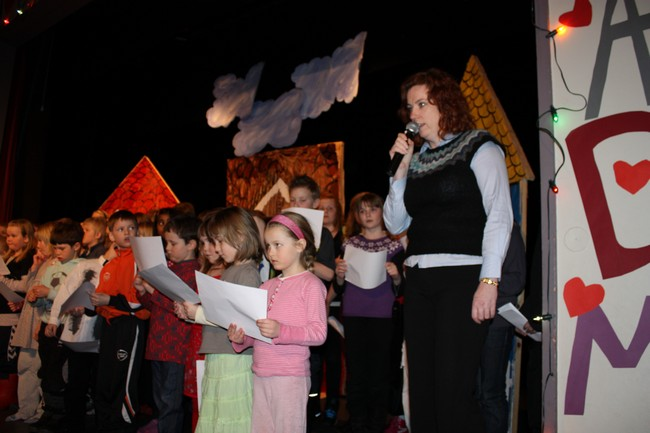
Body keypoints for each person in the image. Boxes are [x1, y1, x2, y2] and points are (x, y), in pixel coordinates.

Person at [383, 67, 513, 433]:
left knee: (452, 391)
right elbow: (394, 223)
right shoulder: (416, 159)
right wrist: (399, 172)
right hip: (419, 281)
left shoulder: (479, 145)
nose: (413, 114)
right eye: (410, 107)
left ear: (446, 102)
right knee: (421, 390)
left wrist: (489, 280)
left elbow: (500, 215)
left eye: (422, 104)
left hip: (461, 278)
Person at [227, 211, 328, 433]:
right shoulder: (266, 286)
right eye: (268, 246)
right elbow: (259, 332)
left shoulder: (311, 285)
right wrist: (241, 339)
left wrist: (281, 331)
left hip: (290, 376)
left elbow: (319, 333)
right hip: (261, 372)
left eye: (277, 245)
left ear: (300, 245)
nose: (270, 252)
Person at [175, 206, 263, 433]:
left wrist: (198, 314)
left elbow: (241, 320)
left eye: (220, 242)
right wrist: (193, 314)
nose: (216, 248)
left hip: (234, 357)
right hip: (220, 352)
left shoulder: (247, 273)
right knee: (216, 415)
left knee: (231, 417)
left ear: (240, 237)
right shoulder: (232, 270)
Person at [334, 192, 405, 433]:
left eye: (373, 209)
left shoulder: (395, 246)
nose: (368, 215)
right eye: (362, 211)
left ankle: (376, 423)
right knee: (356, 371)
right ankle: (357, 421)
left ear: (382, 211)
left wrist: (396, 276)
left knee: (379, 372)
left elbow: (402, 288)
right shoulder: (349, 244)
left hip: (382, 316)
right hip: (354, 314)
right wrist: (339, 275)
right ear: (356, 216)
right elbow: (339, 286)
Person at [135, 214, 201, 433]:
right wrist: (143, 291)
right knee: (161, 401)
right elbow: (154, 307)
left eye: (173, 243)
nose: (167, 248)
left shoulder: (195, 272)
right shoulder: (170, 268)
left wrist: (153, 290)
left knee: (170, 404)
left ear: (191, 244)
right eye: (166, 243)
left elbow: (181, 307)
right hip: (158, 345)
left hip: (176, 348)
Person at [90, 210, 150, 433]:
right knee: (105, 379)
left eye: (131, 228)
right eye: (121, 229)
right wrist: (96, 303)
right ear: (111, 234)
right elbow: (101, 296)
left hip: (129, 325)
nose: (127, 232)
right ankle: (105, 423)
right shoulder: (110, 262)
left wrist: (110, 300)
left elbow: (139, 303)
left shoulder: (139, 259)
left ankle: (124, 425)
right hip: (110, 326)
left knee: (122, 380)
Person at [288, 174, 336, 424]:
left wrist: (303, 257)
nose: (297, 204)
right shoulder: (284, 231)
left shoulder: (323, 235)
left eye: (302, 200)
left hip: (310, 310)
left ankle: (312, 415)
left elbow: (329, 273)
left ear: (315, 203)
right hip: (287, 309)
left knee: (312, 368)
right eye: (292, 200)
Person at [31, 218, 85, 431]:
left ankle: (60, 412)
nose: (57, 252)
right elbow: (43, 296)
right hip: (47, 323)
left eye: (62, 248)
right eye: (55, 248)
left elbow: (73, 297)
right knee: (46, 371)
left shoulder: (81, 267)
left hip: (65, 326)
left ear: (76, 246)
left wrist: (50, 293)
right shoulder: (51, 266)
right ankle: (48, 411)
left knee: (58, 372)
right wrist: (36, 298)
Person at [476, 221, 526, 433]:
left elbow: (516, 279)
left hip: (496, 321)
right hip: (469, 321)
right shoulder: (470, 225)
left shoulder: (507, 228)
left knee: (490, 392)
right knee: (472, 391)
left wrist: (484, 286)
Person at [4, 221, 55, 424]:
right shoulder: (42, 262)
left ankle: (40, 411)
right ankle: (25, 409)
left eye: (41, 241)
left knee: (37, 368)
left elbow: (45, 295)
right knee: (24, 366)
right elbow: (29, 287)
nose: (38, 245)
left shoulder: (54, 265)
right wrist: (34, 268)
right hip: (29, 318)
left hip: (39, 320)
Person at [318, 194, 345, 425]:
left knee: (334, 358)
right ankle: (314, 405)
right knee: (315, 359)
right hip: (314, 304)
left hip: (337, 306)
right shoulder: (311, 237)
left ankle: (333, 403)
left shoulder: (346, 240)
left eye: (330, 208)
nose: (326, 212)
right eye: (322, 208)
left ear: (338, 212)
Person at [0, 219, 36, 378]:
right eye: (7, 236)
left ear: (26, 238)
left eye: (13, 236)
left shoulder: (28, 258)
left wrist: (3, 281)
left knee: (8, 362)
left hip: (12, 317)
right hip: (3, 314)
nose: (9, 239)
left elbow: (25, 285)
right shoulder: (9, 256)